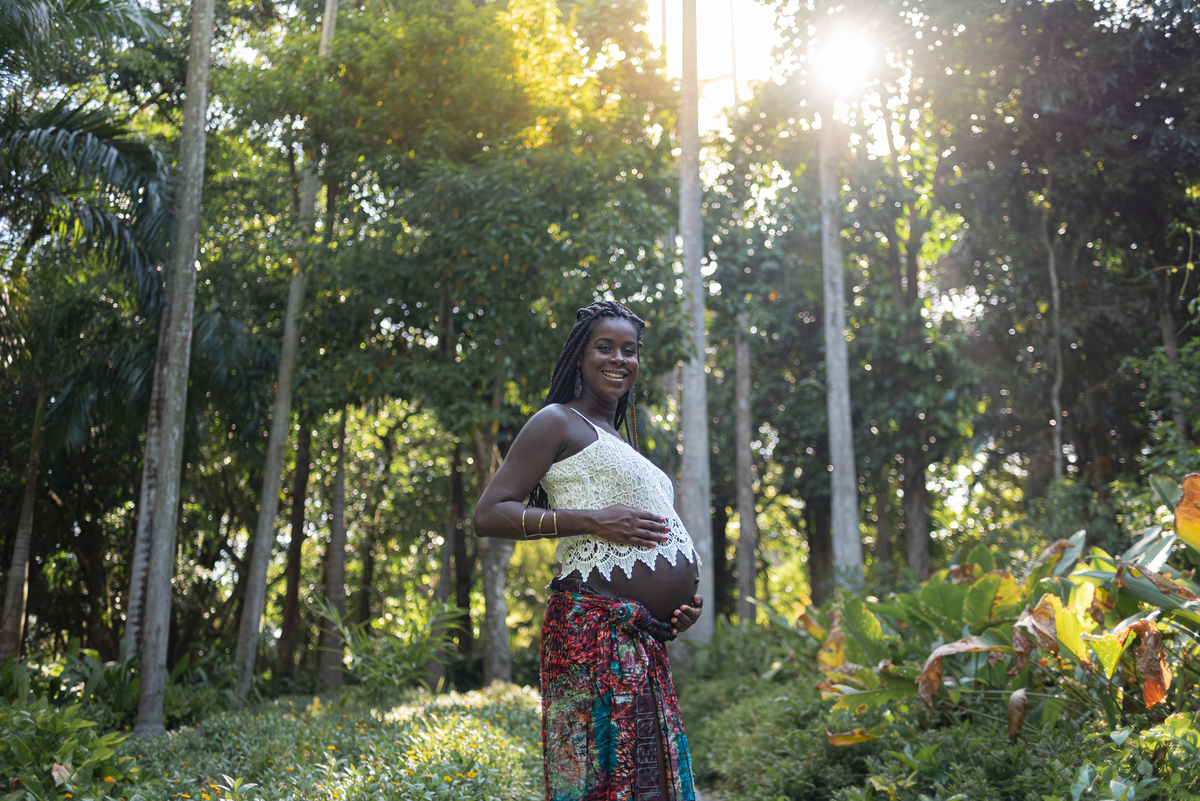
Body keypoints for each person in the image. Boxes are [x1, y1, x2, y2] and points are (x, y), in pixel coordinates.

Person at [473, 300, 703, 801]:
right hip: (591, 632)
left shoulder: (616, 439)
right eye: (605, 347)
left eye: (630, 350)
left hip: (639, 635)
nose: (619, 359)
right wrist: (592, 520)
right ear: (579, 357)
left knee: (647, 785)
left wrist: (672, 612)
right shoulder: (556, 421)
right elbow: (488, 514)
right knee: (598, 783)